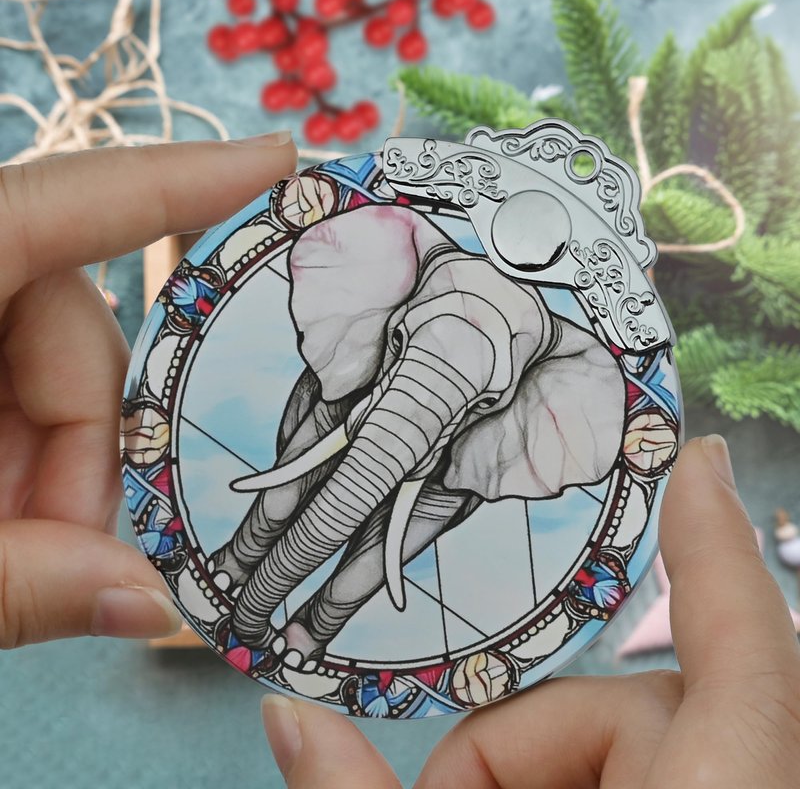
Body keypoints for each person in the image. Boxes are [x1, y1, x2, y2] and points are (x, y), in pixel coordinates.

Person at [0, 136, 798, 788]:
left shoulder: (532, 415)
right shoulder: (366, 308)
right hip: (351, 396)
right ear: (391, 313)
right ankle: (245, 558)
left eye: (493, 390)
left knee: (380, 553)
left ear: (518, 400)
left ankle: (315, 627)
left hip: (452, 462)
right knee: (284, 494)